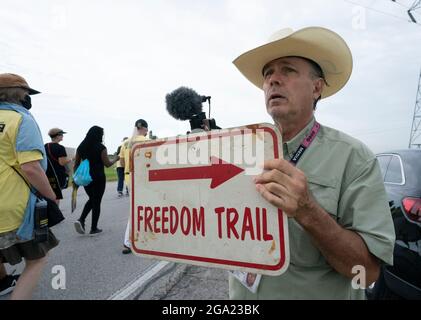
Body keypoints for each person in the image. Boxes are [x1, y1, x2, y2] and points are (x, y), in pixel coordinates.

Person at [230, 27, 395, 299]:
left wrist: (308, 211)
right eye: (268, 73)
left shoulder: (354, 158)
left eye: (288, 70)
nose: (274, 80)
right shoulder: (238, 149)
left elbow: (367, 273)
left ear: (317, 87)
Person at [0, 73, 59, 299]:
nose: (27, 97)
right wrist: (50, 195)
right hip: (13, 203)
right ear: (18, 94)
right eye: (26, 93)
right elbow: (31, 167)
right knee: (37, 259)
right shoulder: (21, 119)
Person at [73, 126, 120, 236]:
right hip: (98, 178)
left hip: (86, 178)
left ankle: (81, 220)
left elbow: (76, 165)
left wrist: (77, 178)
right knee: (96, 201)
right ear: (99, 135)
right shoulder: (101, 147)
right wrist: (116, 159)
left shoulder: (81, 146)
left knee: (92, 199)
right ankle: (93, 228)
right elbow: (107, 164)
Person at [120, 119, 149, 254]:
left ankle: (140, 237)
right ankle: (128, 241)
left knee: (139, 208)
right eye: (146, 129)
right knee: (137, 210)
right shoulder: (144, 141)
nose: (147, 132)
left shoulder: (125, 143)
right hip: (140, 177)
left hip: (128, 176)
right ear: (142, 128)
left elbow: (122, 161)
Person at [45, 128, 72, 205]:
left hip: (47, 173)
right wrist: (70, 159)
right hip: (58, 175)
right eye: (61, 134)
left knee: (49, 193)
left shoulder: (45, 146)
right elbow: (62, 163)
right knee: (56, 195)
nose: (63, 136)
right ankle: (55, 213)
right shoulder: (60, 148)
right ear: (57, 136)